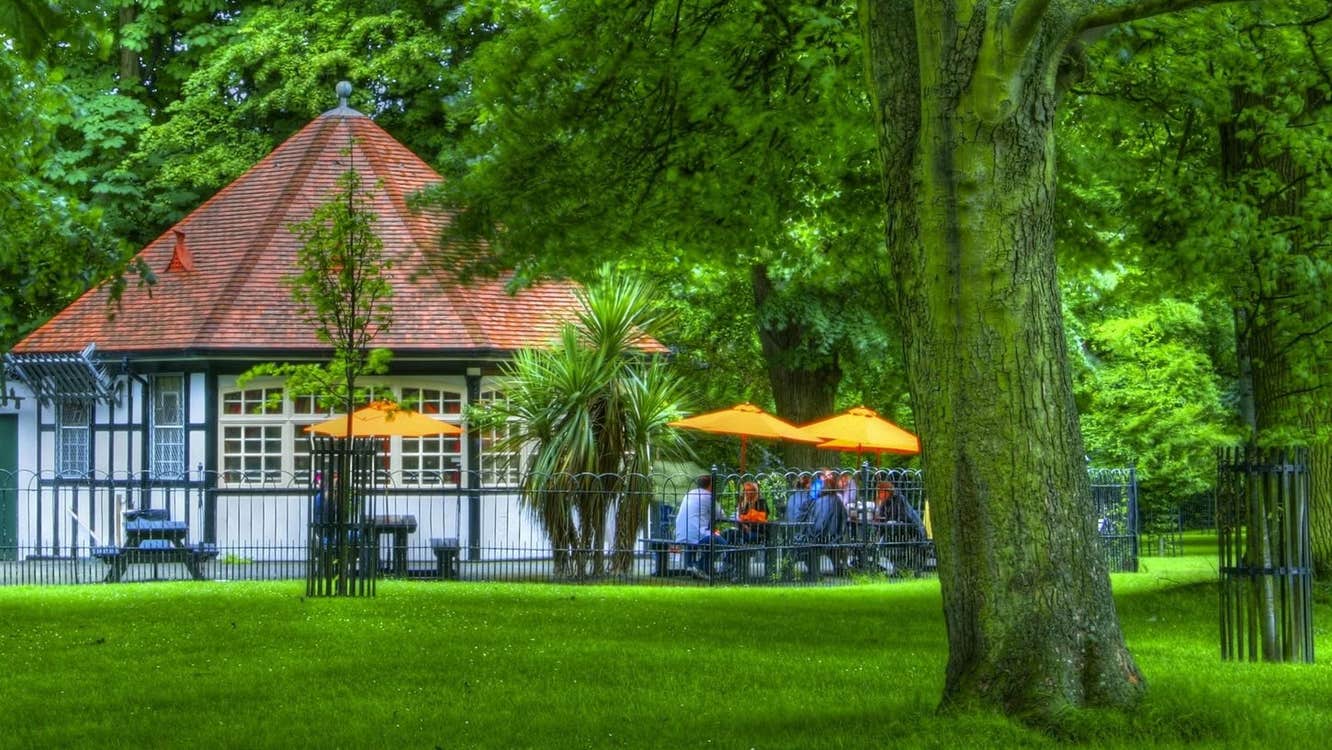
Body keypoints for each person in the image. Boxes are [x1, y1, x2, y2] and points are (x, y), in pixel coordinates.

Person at [673, 475, 728, 578]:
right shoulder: (709, 496)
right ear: (710, 485)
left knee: (692, 536)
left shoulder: (689, 494)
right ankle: (701, 566)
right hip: (696, 533)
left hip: (680, 532)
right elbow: (721, 515)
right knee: (721, 543)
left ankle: (689, 566)